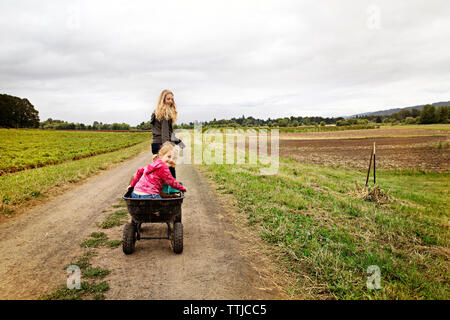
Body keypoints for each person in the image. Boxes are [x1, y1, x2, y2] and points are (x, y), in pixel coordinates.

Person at [151, 89, 182, 178]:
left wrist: (180, 143)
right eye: (168, 99)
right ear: (163, 99)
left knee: (159, 173)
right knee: (170, 171)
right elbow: (165, 134)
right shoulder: (165, 113)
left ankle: (158, 190)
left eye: (172, 99)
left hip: (156, 145)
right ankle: (172, 190)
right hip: (162, 145)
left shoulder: (157, 112)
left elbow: (169, 133)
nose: (170, 101)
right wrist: (167, 149)